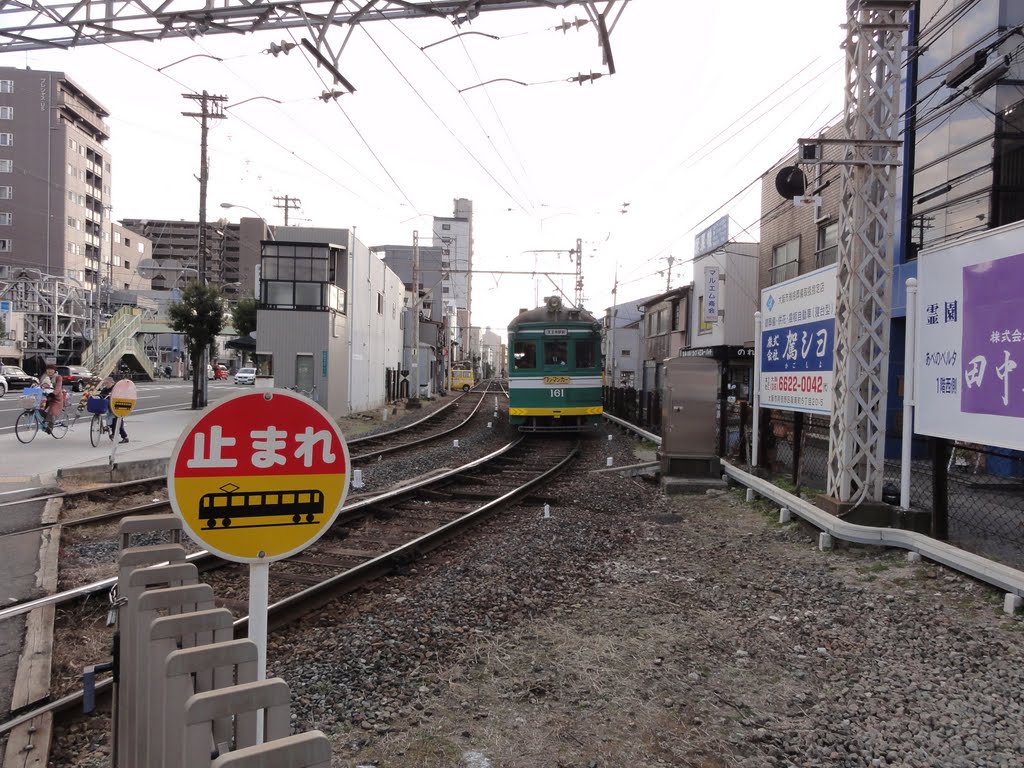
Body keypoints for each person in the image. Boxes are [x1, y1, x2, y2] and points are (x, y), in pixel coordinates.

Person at [98, 376, 129, 443]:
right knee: (112, 422)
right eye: (104, 383)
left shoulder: (116, 389)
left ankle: (125, 437)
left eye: (107, 383)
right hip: (109, 408)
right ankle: (113, 433)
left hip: (117, 408)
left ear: (112, 383)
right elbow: (101, 396)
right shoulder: (105, 389)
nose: (105, 385)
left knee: (118, 423)